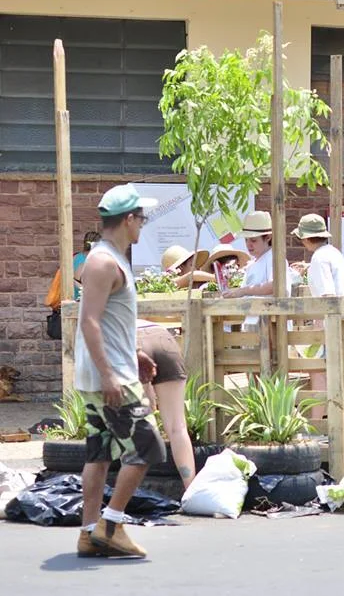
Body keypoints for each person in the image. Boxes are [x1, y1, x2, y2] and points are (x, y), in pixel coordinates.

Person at [73, 183, 164, 559]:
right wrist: (110, 374)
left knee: (99, 453)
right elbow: (89, 322)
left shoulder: (112, 259)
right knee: (148, 446)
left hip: (111, 370)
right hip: (112, 378)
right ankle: (111, 525)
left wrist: (136, 351)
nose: (143, 223)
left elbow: (112, 320)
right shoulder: (103, 262)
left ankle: (88, 533)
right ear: (128, 219)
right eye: (141, 218)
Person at [291, 213, 344, 417]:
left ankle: (317, 421)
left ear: (306, 238)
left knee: (318, 371)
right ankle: (335, 419)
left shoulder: (318, 258)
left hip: (329, 321)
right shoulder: (333, 252)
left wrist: (319, 326)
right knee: (337, 372)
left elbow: (327, 295)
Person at [136, 319, 195, 489]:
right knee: (178, 427)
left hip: (133, 343)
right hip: (163, 337)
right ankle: (191, 490)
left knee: (135, 426)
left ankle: (133, 494)